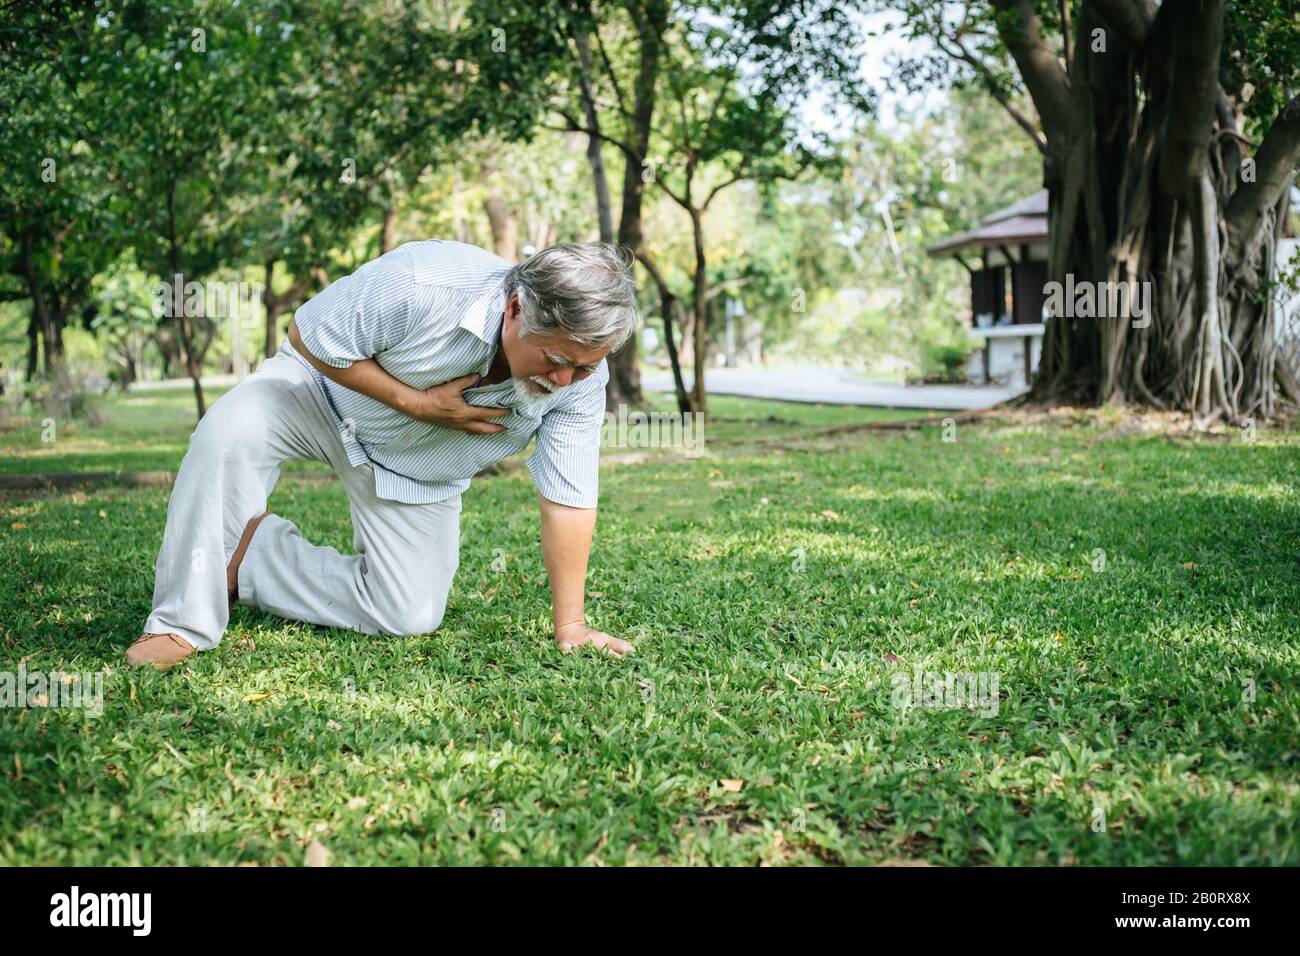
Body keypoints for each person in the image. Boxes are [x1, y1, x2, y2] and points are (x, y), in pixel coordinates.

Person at [125, 240, 638, 670]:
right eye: (555, 360)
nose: (565, 379)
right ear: (515, 310)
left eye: (585, 367)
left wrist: (569, 624)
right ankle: (180, 622)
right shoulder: (423, 281)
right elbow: (307, 333)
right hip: (317, 395)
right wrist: (415, 402)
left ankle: (249, 558)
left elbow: (568, 497)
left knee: (409, 614)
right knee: (228, 429)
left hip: (412, 469)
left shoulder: (579, 384)